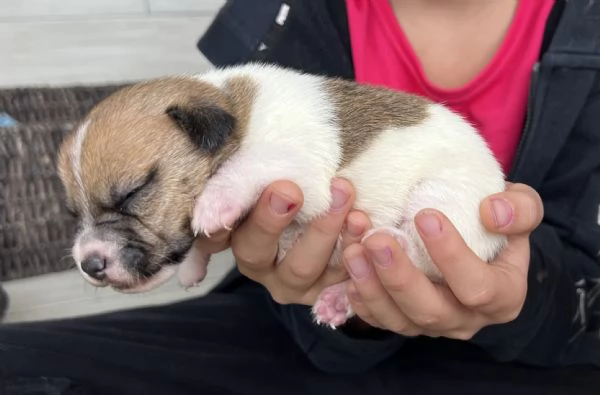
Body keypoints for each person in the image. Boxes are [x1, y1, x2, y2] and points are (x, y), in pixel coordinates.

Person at [1, 0, 599, 394]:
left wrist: (535, 294)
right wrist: (207, 252)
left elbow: (300, 179)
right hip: (293, 340)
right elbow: (250, 225)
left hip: (540, 354)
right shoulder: (277, 24)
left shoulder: (264, 111)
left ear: (208, 130)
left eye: (132, 194)